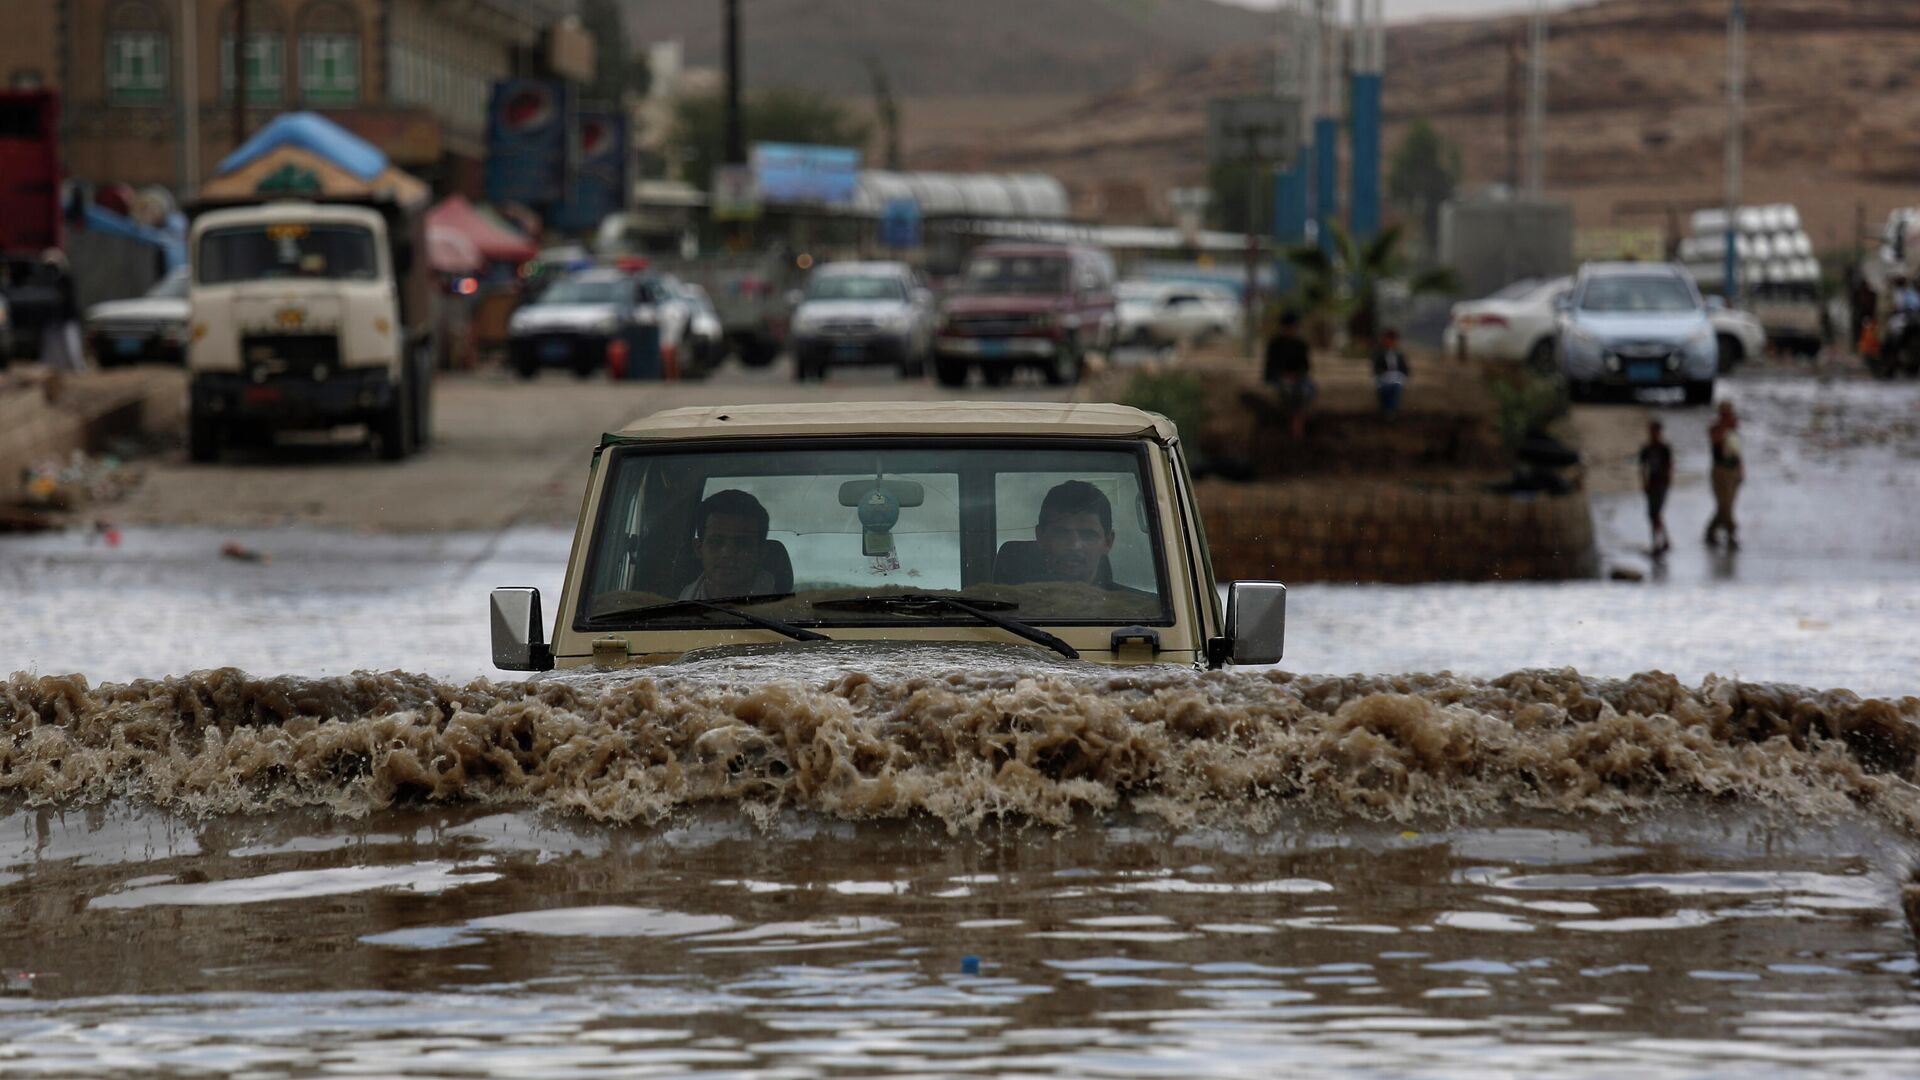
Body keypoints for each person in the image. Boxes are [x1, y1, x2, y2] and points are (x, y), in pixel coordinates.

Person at [680, 489, 777, 599]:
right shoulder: (671, 609)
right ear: (698, 548)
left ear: (762, 552)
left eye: (742, 543)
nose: (728, 553)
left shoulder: (789, 613)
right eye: (716, 542)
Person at [1033, 480, 1115, 585]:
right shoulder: (1011, 598)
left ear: (1108, 542)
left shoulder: (1131, 601)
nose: (1074, 545)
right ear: (1040, 537)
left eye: (1088, 535)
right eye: (1061, 534)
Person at [1263, 311, 1314, 441]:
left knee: (1305, 391)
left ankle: (1297, 425)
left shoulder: (1300, 344)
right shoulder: (1275, 344)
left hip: (1298, 378)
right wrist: (1282, 375)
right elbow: (1270, 367)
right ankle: (1293, 424)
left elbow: (1305, 366)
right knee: (1287, 391)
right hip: (1278, 377)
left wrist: (1295, 375)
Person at [1704, 401, 1744, 550]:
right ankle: (1730, 531)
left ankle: (1713, 530)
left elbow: (1737, 452)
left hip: (1732, 470)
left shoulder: (1733, 429)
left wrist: (1741, 470)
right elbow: (1716, 442)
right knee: (1724, 504)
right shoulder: (1716, 428)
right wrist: (1726, 426)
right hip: (1720, 470)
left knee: (1728, 504)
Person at [36, 249, 84, 374]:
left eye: (53, 265)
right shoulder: (43, 281)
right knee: (50, 354)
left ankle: (78, 374)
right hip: (51, 322)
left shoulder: (66, 279)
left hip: (67, 321)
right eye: (48, 266)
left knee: (72, 350)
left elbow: (69, 300)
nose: (51, 269)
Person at [1637, 418, 1674, 555]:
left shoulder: (1664, 449)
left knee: (1655, 514)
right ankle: (1663, 541)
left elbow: (1669, 466)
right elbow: (1642, 468)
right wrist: (1644, 482)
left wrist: (1667, 482)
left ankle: (1657, 543)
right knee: (1654, 514)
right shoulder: (1647, 449)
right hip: (1652, 484)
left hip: (1661, 484)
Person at [1371, 329, 1412, 418]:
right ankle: (1387, 410)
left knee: (1396, 387)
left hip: (1396, 378)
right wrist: (1384, 374)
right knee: (1384, 388)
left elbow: (1405, 369)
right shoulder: (1379, 353)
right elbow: (1376, 369)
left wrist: (1402, 375)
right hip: (1383, 378)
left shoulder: (1399, 354)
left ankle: (1390, 411)